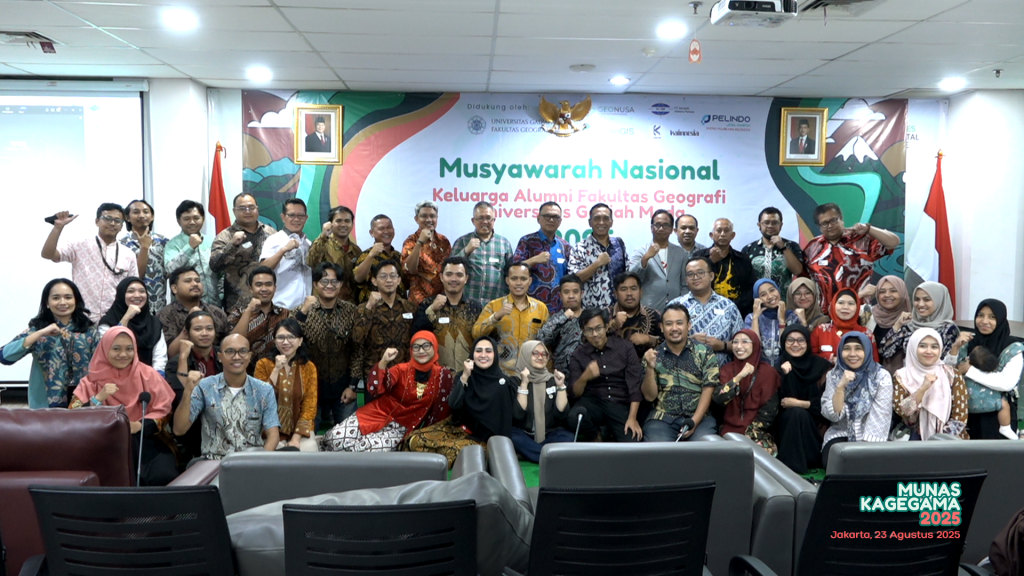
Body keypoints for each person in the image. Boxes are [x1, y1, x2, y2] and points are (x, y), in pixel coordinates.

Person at [71, 327, 178, 485]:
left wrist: (140, 425)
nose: (123, 354)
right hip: (103, 443)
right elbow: (73, 417)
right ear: (105, 349)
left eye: (129, 349)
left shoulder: (148, 375)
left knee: (163, 475)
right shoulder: (91, 381)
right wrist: (98, 398)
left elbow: (165, 411)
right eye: (116, 349)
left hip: (145, 439)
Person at [321, 332, 452, 453]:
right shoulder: (402, 369)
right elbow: (378, 386)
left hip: (400, 427)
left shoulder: (442, 376)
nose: (421, 351)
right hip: (377, 413)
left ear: (434, 347)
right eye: (416, 347)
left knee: (366, 450)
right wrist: (383, 362)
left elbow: (443, 410)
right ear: (411, 350)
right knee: (334, 439)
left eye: (426, 346)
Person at [406, 335, 520, 467]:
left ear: (495, 354)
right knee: (415, 439)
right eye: (478, 351)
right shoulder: (463, 375)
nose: (483, 355)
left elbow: (505, 421)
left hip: (482, 440)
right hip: (458, 429)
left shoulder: (503, 383)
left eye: (488, 351)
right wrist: (465, 376)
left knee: (454, 452)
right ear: (472, 354)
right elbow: (454, 404)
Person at [173, 333, 281, 460]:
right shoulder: (205, 386)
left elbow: (273, 435)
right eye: (230, 351)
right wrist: (187, 391)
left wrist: (260, 462)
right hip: (214, 461)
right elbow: (179, 430)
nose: (237, 357)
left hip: (251, 461)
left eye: (243, 351)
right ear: (220, 357)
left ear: (249, 356)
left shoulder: (264, 390)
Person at [1, 279, 99, 408]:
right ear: (47, 303)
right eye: (56, 298)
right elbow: (5, 356)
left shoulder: (89, 330)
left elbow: (102, 363)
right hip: (45, 401)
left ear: (76, 300)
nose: (62, 302)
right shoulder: (38, 329)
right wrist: (40, 333)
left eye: (68, 297)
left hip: (84, 399)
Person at [40, 206, 139, 322]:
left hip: (115, 318)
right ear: (97, 221)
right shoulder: (79, 245)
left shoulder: (128, 254)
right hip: (82, 317)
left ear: (122, 226)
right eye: (107, 218)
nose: (112, 223)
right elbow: (48, 254)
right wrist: (58, 227)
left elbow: (133, 288)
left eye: (117, 220)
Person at [640, 302, 720, 442]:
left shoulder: (704, 352)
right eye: (669, 324)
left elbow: (708, 389)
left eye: (679, 323)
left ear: (688, 326)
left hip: (700, 417)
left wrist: (694, 421)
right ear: (661, 327)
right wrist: (650, 368)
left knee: (705, 448)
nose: (674, 328)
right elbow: (649, 397)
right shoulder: (652, 355)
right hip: (663, 419)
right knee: (657, 451)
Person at [803, 202, 899, 316]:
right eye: (824, 223)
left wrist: (868, 229)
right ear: (819, 227)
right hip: (824, 314)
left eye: (833, 220)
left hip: (859, 312)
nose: (830, 226)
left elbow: (894, 242)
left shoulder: (861, 240)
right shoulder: (812, 247)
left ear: (841, 219)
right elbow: (802, 276)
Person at [294, 262, 358, 428]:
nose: (330, 285)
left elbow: (357, 351)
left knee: (349, 435)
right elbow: (290, 341)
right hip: (310, 388)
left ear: (341, 284)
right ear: (315, 284)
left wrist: (352, 386)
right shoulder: (302, 311)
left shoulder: (351, 311)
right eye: (324, 281)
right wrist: (303, 312)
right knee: (306, 436)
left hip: (343, 388)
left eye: (334, 281)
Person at [952, 299, 1024, 440]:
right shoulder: (967, 342)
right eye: (980, 315)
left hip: (997, 418)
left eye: (992, 317)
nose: (984, 321)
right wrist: (955, 347)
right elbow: (950, 371)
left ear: (1001, 319)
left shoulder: (1012, 348)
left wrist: (969, 370)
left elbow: (1006, 383)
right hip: (965, 415)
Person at [569, 308, 644, 442]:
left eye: (599, 328)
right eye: (589, 330)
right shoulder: (578, 354)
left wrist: (632, 418)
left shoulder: (625, 347)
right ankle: (595, 437)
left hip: (620, 403)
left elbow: (635, 386)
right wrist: (585, 377)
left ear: (607, 326)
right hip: (593, 401)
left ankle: (610, 431)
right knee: (574, 417)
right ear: (583, 331)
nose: (595, 334)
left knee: (632, 442)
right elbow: (575, 393)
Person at [820, 332, 893, 468]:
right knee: (833, 464)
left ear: (867, 350)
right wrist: (840, 387)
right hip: (841, 432)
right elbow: (832, 415)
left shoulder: (881, 376)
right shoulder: (834, 375)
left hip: (871, 436)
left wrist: (862, 450)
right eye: (847, 349)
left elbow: (881, 415)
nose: (852, 354)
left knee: (865, 466)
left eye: (858, 348)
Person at [473, 262, 549, 375]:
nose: (518, 283)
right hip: (501, 373)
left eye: (523, 279)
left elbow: (547, 344)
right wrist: (496, 317)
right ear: (507, 280)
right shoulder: (494, 306)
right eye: (514, 278)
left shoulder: (541, 308)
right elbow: (476, 334)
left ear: (530, 281)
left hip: (532, 373)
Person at [164, 310, 221, 463]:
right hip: (193, 426)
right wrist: (183, 358)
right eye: (198, 329)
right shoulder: (175, 363)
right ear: (187, 333)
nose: (205, 333)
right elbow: (181, 397)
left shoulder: (224, 355)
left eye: (209, 328)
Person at [254, 319, 319, 451]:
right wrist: (276, 369)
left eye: (291, 337)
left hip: (300, 431)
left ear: (300, 341)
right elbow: (260, 399)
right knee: (277, 453)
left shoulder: (308, 367)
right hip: (269, 431)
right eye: (281, 337)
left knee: (309, 448)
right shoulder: (263, 364)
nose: (285, 342)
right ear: (274, 341)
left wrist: (296, 439)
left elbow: (310, 406)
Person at [893, 328, 969, 440]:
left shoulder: (952, 374)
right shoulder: (902, 376)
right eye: (922, 346)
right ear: (913, 348)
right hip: (912, 441)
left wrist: (937, 441)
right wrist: (923, 389)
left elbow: (960, 416)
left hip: (948, 442)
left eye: (934, 347)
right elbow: (902, 411)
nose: (929, 351)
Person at [775, 325, 832, 474]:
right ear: (783, 343)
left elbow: (828, 405)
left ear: (808, 342)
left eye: (801, 340)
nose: (795, 344)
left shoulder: (822, 367)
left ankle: (793, 467)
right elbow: (782, 403)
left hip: (817, 428)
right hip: (788, 429)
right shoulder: (778, 368)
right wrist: (787, 376)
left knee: (796, 411)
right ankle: (792, 469)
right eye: (790, 340)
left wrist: (801, 404)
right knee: (794, 413)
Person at [713, 329, 780, 454]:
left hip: (758, 432)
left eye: (745, 342)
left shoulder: (768, 372)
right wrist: (740, 376)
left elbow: (770, 410)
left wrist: (751, 433)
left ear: (755, 345)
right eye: (735, 342)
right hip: (729, 430)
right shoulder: (726, 370)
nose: (739, 346)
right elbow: (719, 399)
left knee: (759, 454)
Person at [668, 257, 744, 366]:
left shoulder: (728, 307)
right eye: (690, 274)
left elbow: (744, 343)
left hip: (722, 373)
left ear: (711, 276)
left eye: (700, 272)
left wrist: (722, 346)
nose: (695, 277)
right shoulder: (675, 306)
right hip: (683, 373)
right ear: (686, 280)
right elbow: (663, 344)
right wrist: (688, 342)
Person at [411, 257, 482, 371]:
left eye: (459, 275)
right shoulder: (428, 304)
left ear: (466, 278)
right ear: (441, 277)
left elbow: (483, 342)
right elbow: (416, 335)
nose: (454, 279)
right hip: (435, 374)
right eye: (449, 274)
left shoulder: (475, 308)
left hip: (469, 375)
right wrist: (432, 309)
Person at [352, 259, 416, 382]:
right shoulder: (363, 308)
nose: (389, 280)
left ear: (399, 280)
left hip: (405, 374)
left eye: (393, 276)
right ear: (374, 281)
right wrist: (369, 307)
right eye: (383, 276)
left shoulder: (410, 307)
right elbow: (357, 339)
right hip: (375, 375)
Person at [210, 193, 277, 311]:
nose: (247, 211)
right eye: (242, 208)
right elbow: (215, 266)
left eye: (251, 207)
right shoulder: (225, 236)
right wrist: (232, 245)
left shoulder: (271, 233)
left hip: (269, 301)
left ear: (257, 209)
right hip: (237, 304)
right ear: (234, 211)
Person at [509, 340, 573, 462]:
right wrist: (524, 384)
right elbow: (518, 415)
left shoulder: (552, 380)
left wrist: (561, 386)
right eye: (535, 353)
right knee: (511, 436)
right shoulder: (515, 381)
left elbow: (561, 414)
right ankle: (548, 456)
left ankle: (531, 453)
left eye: (544, 354)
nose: (540, 357)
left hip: (549, 433)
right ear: (526, 355)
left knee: (568, 437)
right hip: (524, 433)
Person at [879, 281, 959, 371]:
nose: (920, 304)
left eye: (927, 299)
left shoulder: (948, 329)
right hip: (907, 376)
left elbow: (946, 364)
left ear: (939, 301)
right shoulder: (910, 325)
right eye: (917, 299)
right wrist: (898, 324)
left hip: (934, 377)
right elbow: (885, 352)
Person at [226, 266, 290, 372]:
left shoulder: (285, 314)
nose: (264, 289)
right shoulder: (238, 312)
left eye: (268, 284)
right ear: (251, 288)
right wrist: (249, 310)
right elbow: (233, 343)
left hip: (278, 371)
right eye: (259, 285)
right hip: (246, 373)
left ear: (275, 288)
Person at [99, 277, 168, 374]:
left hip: (147, 377)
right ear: (121, 295)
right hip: (114, 375)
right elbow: (109, 349)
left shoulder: (154, 323)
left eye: (142, 291)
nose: (137, 295)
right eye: (130, 291)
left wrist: (154, 379)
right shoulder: (107, 322)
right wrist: (126, 317)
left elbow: (160, 358)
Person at [451, 201, 514, 306]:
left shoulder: (504, 243)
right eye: (480, 218)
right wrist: (466, 251)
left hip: (497, 305)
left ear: (494, 220)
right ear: (473, 221)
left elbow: (511, 273)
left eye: (488, 218)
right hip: (467, 304)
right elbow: (449, 269)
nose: (485, 222)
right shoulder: (462, 241)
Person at [158, 265, 229, 358]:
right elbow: (169, 354)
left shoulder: (217, 313)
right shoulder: (166, 315)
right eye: (188, 281)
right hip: (181, 364)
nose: (195, 284)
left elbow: (228, 347)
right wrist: (189, 324)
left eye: (197, 280)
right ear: (174, 288)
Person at [513, 202, 570, 313]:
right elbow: (514, 269)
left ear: (560, 221)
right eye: (547, 216)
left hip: (558, 308)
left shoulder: (565, 246)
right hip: (531, 307)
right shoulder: (527, 241)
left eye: (555, 217)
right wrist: (534, 260)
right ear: (538, 218)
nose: (551, 220)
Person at [692, 218, 755, 316]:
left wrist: (735, 306)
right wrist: (710, 262)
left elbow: (750, 287)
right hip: (705, 311)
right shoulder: (699, 256)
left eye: (726, 231)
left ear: (733, 235)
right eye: (719, 230)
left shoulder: (743, 259)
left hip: (736, 311)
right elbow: (694, 281)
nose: (722, 234)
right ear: (711, 235)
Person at [165, 200, 222, 308]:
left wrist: (221, 296)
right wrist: (190, 247)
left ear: (203, 219)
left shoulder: (213, 241)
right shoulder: (172, 244)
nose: (192, 222)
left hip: (213, 305)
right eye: (186, 219)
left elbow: (221, 272)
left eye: (196, 218)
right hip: (184, 307)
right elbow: (170, 269)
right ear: (179, 221)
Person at [569, 204, 627, 309]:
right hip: (591, 312)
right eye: (597, 218)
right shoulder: (579, 248)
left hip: (618, 310)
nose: (601, 222)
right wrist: (597, 263)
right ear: (590, 222)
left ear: (611, 222)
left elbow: (627, 275)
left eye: (606, 218)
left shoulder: (619, 244)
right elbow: (573, 281)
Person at [629, 209, 688, 310]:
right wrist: (645, 258)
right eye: (657, 225)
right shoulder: (640, 251)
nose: (661, 228)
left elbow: (685, 283)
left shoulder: (681, 253)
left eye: (666, 225)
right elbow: (631, 279)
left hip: (676, 308)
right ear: (651, 228)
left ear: (671, 229)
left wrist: (682, 304)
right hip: (648, 308)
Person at [260, 198, 312, 310]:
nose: (296, 219)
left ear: (306, 218)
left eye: (301, 216)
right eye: (291, 215)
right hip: (282, 307)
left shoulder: (308, 243)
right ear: (283, 217)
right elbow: (263, 269)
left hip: (306, 308)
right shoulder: (274, 240)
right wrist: (283, 250)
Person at [741, 207, 804, 295]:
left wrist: (783, 248)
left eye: (775, 223)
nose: (770, 226)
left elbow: (797, 271)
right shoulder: (748, 249)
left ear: (781, 225)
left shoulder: (792, 246)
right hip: (757, 301)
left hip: (784, 300)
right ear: (759, 225)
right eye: (766, 222)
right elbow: (742, 279)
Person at [120, 199, 169, 311]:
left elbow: (171, 271)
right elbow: (135, 276)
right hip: (132, 304)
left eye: (146, 212)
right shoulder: (122, 244)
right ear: (127, 217)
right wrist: (144, 248)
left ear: (152, 217)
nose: (141, 215)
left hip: (159, 304)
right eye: (136, 212)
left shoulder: (163, 242)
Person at [307, 206, 362, 304]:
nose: (343, 224)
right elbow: (310, 263)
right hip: (324, 304)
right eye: (339, 221)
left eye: (347, 221)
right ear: (330, 223)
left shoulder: (356, 250)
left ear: (352, 224)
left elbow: (358, 280)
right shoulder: (321, 243)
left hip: (348, 305)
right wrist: (323, 236)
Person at [401, 201, 451, 305]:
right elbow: (409, 269)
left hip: (441, 299)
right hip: (419, 301)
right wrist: (420, 242)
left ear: (437, 218)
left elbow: (449, 268)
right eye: (424, 216)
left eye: (432, 216)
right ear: (416, 219)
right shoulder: (411, 241)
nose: (429, 219)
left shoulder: (444, 241)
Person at [811, 289, 879, 363]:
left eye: (851, 303)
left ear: (857, 307)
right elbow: (810, 358)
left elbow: (874, 363)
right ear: (833, 305)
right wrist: (831, 358)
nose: (845, 307)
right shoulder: (821, 330)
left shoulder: (866, 334)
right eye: (841, 303)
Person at [606, 272, 662, 361]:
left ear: (641, 292)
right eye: (623, 289)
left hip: (645, 368)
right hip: (610, 368)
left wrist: (649, 339)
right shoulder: (604, 315)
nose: (629, 293)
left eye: (633, 288)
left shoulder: (654, 315)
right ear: (615, 294)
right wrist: (613, 324)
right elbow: (587, 340)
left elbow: (670, 342)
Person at [353, 214, 408, 302]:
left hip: (399, 306)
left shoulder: (398, 255)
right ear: (372, 233)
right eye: (381, 228)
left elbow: (406, 283)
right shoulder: (366, 255)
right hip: (375, 306)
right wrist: (371, 256)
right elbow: (358, 279)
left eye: (389, 227)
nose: (386, 231)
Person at [744, 279, 800, 367]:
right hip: (760, 370)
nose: (770, 296)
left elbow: (789, 348)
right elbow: (753, 348)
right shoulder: (751, 318)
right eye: (763, 294)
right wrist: (755, 318)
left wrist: (781, 321)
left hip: (786, 369)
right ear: (757, 299)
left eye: (772, 290)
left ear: (778, 290)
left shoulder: (791, 317)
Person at [537, 274, 585, 374]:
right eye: (566, 292)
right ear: (560, 295)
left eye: (575, 291)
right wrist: (564, 317)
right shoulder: (556, 319)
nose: (571, 296)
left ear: (582, 294)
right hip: (562, 375)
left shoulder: (591, 317)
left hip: (587, 372)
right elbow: (541, 339)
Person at [863, 275, 910, 351]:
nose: (887, 295)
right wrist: (861, 294)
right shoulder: (867, 314)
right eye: (882, 291)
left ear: (902, 292)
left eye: (893, 291)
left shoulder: (910, 319)